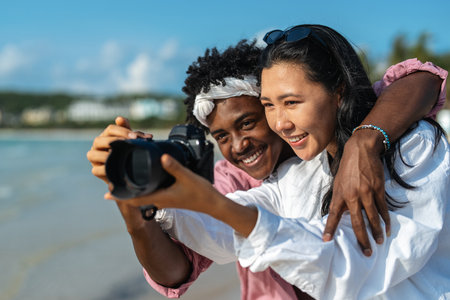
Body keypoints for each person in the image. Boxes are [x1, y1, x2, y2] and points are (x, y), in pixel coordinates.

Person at [110, 25, 449, 299]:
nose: (281, 122)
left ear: (339, 91)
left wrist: (366, 140)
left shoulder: (412, 144)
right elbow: (218, 230)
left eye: (291, 101)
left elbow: (351, 265)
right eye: (270, 105)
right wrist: (142, 191)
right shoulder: (298, 173)